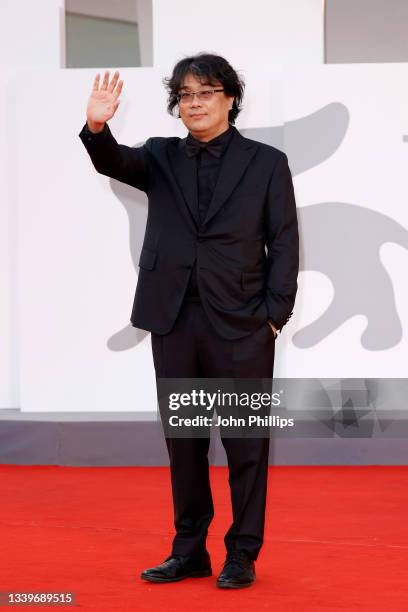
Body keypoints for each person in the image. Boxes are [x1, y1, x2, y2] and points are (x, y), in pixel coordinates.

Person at [78, 52, 299, 589]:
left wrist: (274, 315)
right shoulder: (160, 156)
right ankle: (189, 550)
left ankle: (243, 553)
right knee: (185, 442)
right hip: (174, 319)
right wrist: (96, 125)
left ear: (229, 99)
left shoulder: (266, 162)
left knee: (246, 444)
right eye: (185, 95)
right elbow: (112, 161)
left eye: (205, 93)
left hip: (244, 322)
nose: (194, 103)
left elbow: (285, 239)